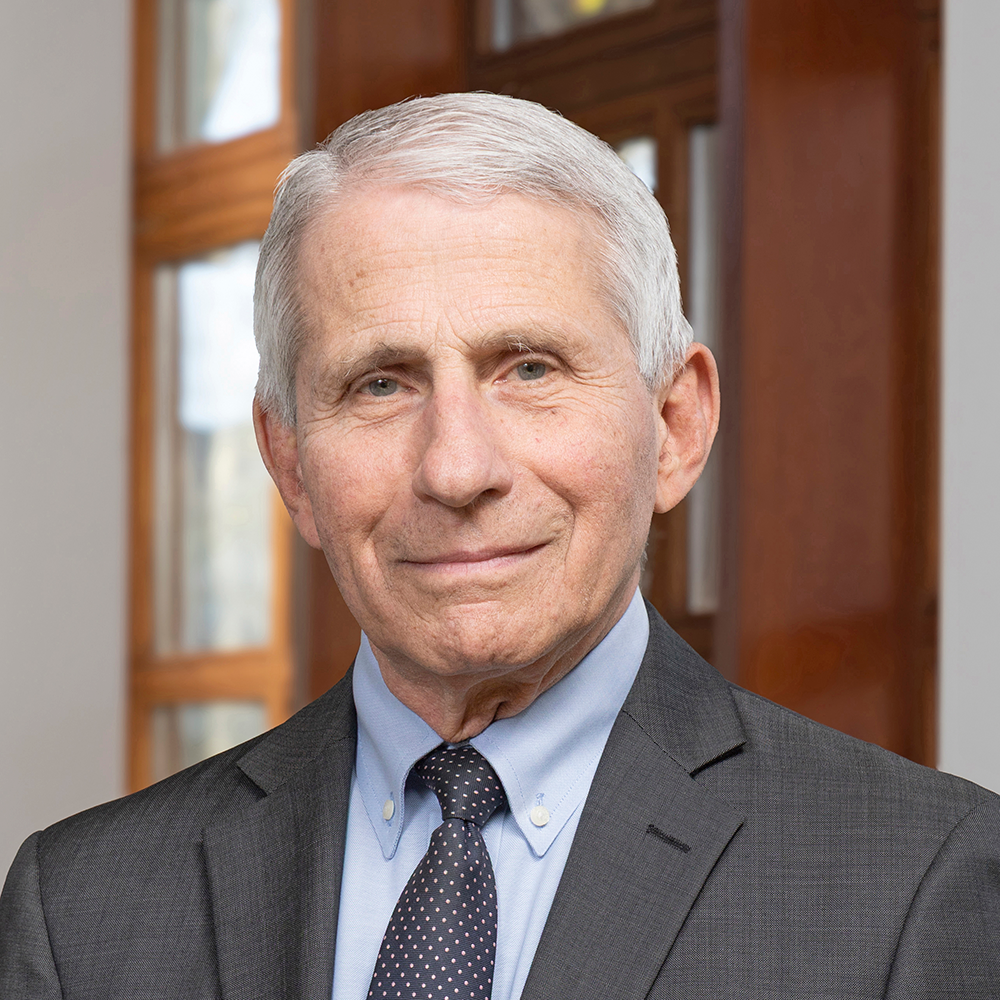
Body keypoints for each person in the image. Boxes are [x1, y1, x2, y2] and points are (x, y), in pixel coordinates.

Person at [2, 92, 999, 1000]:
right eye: (379, 383)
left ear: (674, 426)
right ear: (291, 465)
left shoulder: (916, 886)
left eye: (528, 368)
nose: (457, 467)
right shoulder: (80, 910)